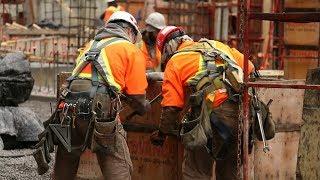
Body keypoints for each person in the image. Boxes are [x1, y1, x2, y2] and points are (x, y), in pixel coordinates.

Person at [52, 11, 149, 180]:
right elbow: (138, 99)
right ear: (129, 31)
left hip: (68, 107)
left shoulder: (90, 46)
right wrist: (145, 106)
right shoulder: (130, 49)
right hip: (100, 108)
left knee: (66, 157)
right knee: (116, 160)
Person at [150, 26, 255, 180]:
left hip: (210, 119)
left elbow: (172, 106)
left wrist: (161, 134)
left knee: (196, 172)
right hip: (240, 115)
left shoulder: (176, 61)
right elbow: (250, 67)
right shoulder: (216, 45)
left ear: (168, 47)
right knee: (229, 174)